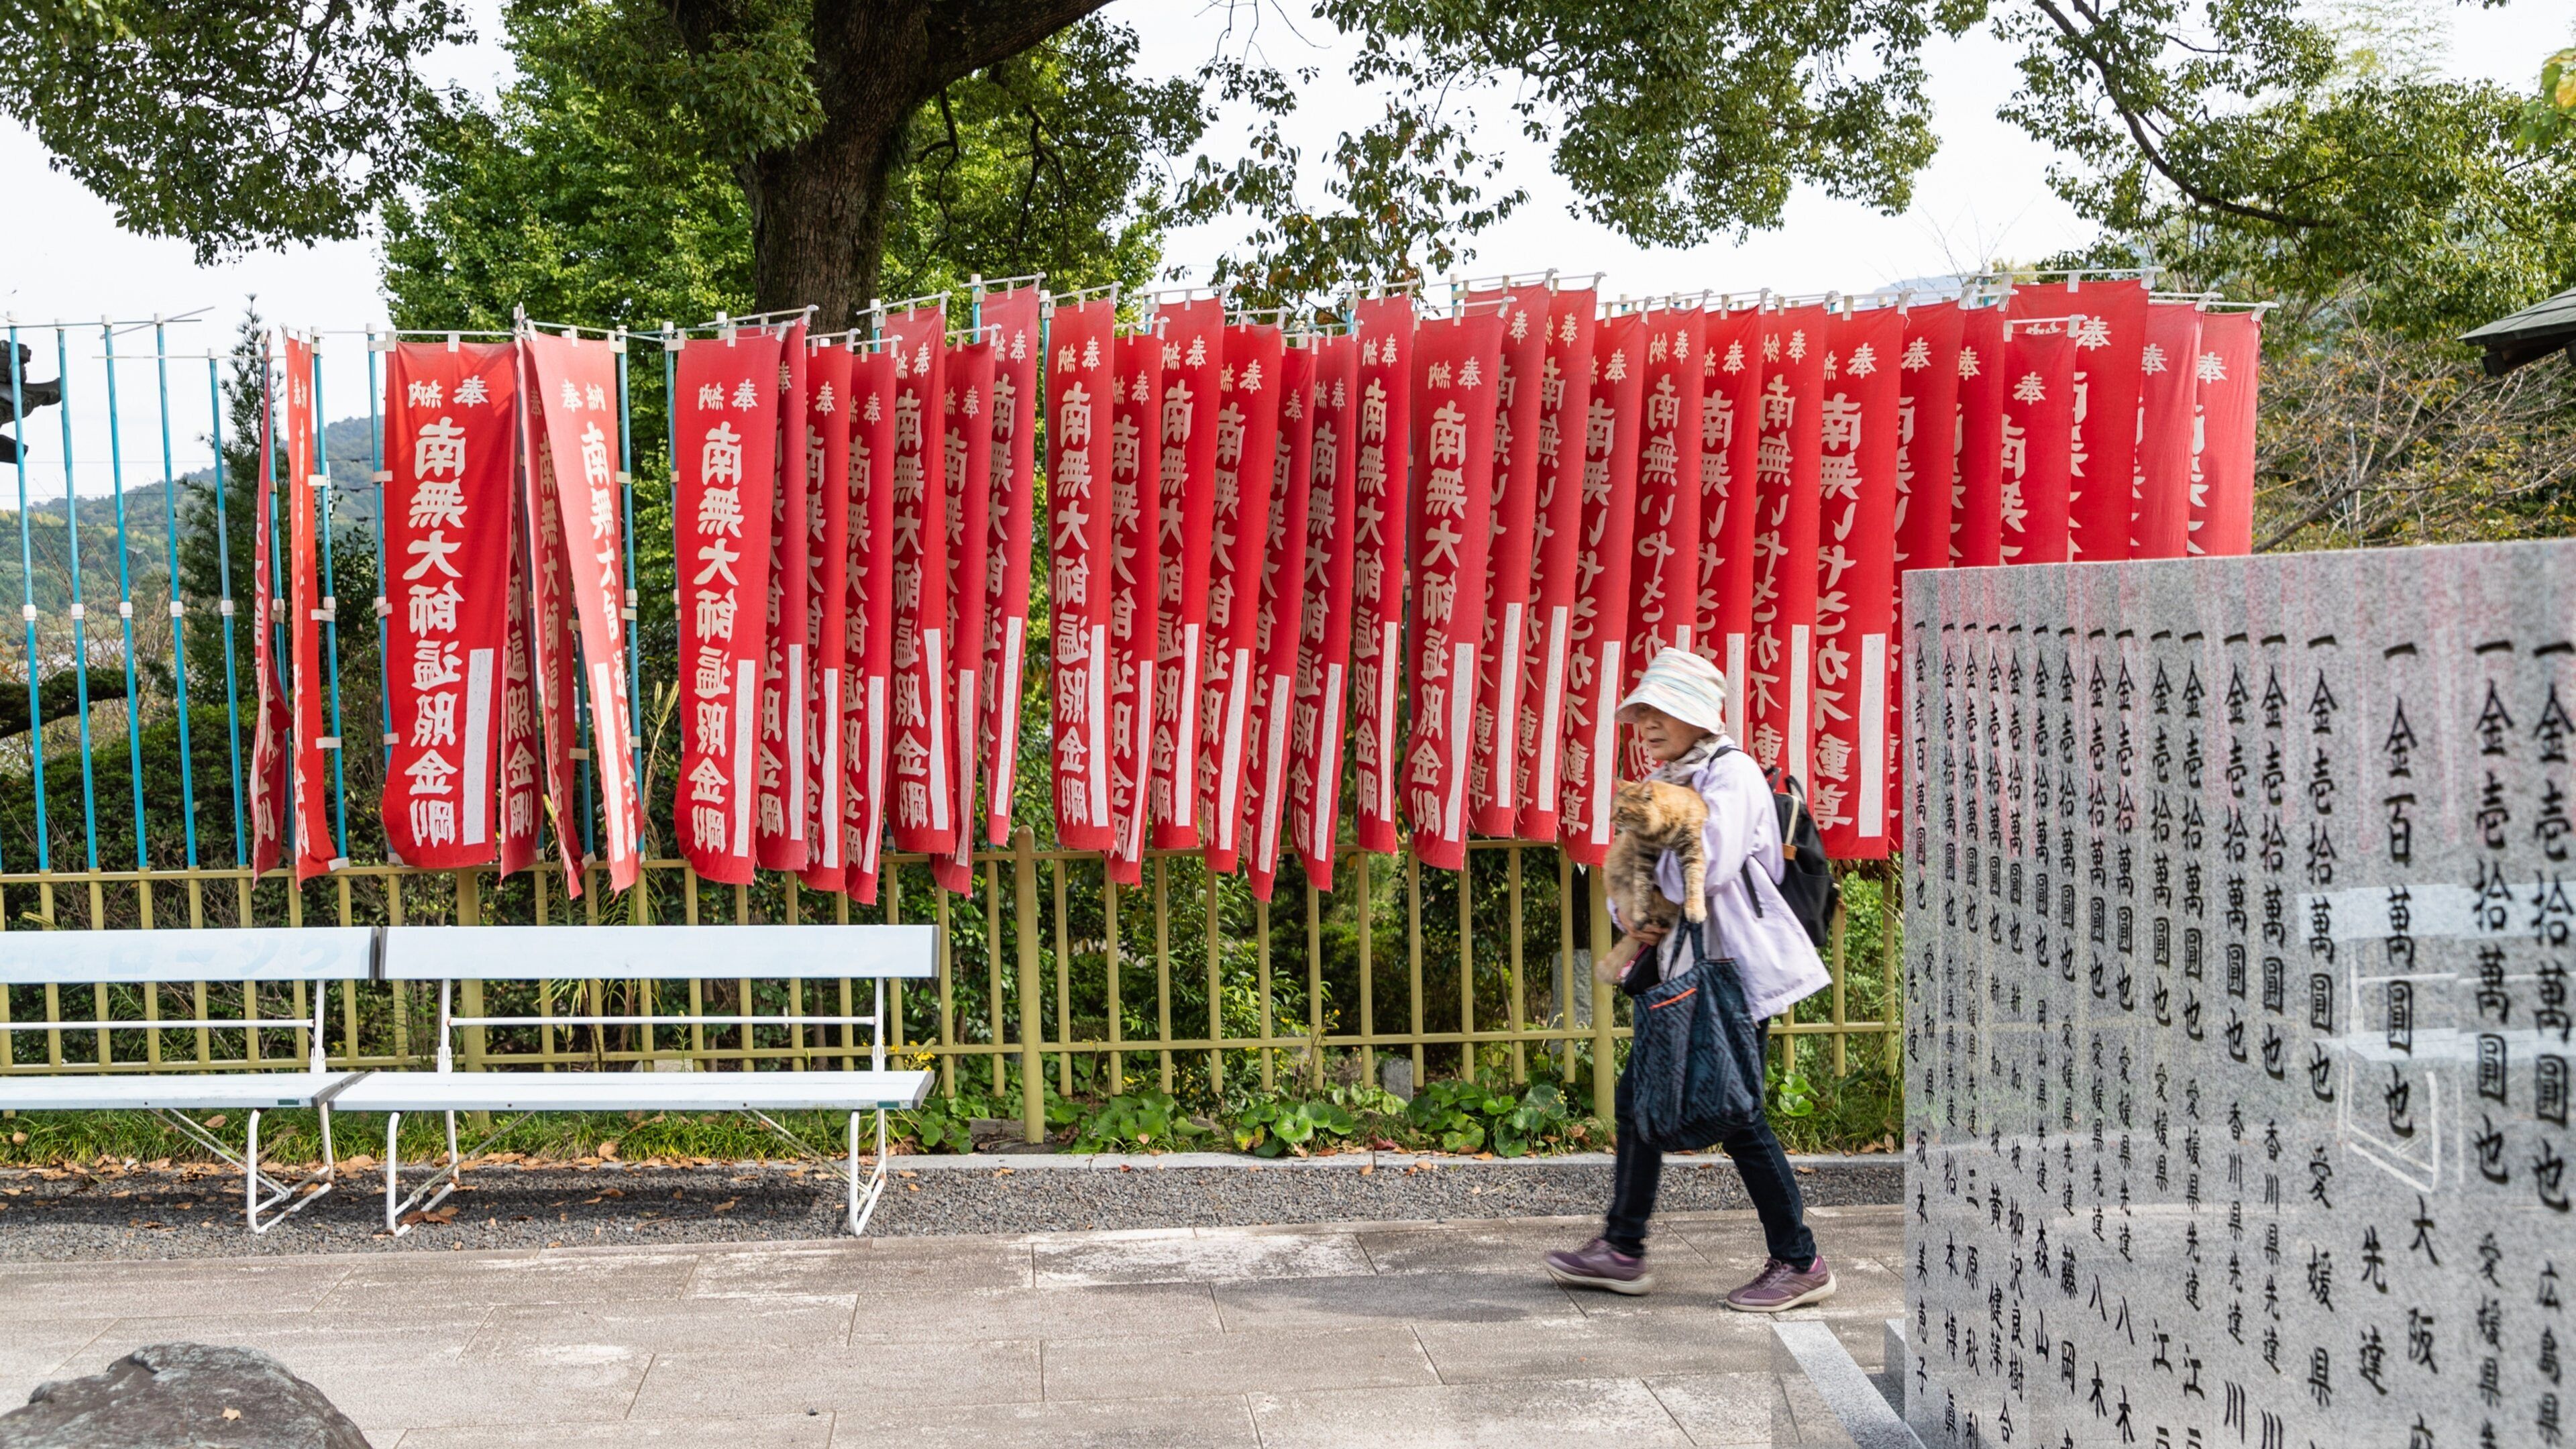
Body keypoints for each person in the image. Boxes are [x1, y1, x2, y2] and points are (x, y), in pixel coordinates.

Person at [1543, 646, 1838, 1311]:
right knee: (1640, 1096)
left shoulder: (1729, 777)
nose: (1646, 724)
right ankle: (1623, 1248)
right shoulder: (1680, 776)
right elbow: (1632, 887)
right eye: (1642, 712)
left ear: (1699, 717)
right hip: (1685, 968)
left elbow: (1713, 864)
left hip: (1731, 974)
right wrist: (1635, 892)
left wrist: (1649, 877)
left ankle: (1800, 1259)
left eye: (1662, 711)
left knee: (1736, 1114)